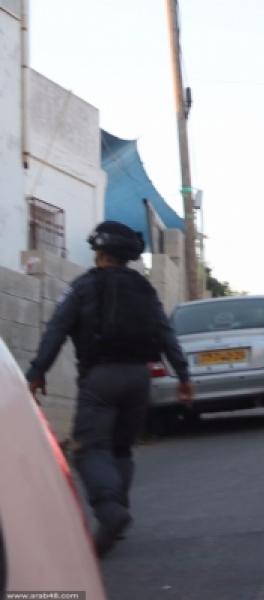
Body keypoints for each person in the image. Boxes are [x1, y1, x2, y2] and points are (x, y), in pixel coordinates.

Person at [24, 221, 193, 557]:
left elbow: (57, 329)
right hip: (139, 378)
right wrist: (184, 376)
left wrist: (37, 372)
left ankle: (110, 511)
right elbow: (165, 333)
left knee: (89, 449)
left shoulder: (83, 287)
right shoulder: (144, 289)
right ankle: (117, 516)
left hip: (101, 379)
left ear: (100, 252)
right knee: (121, 449)